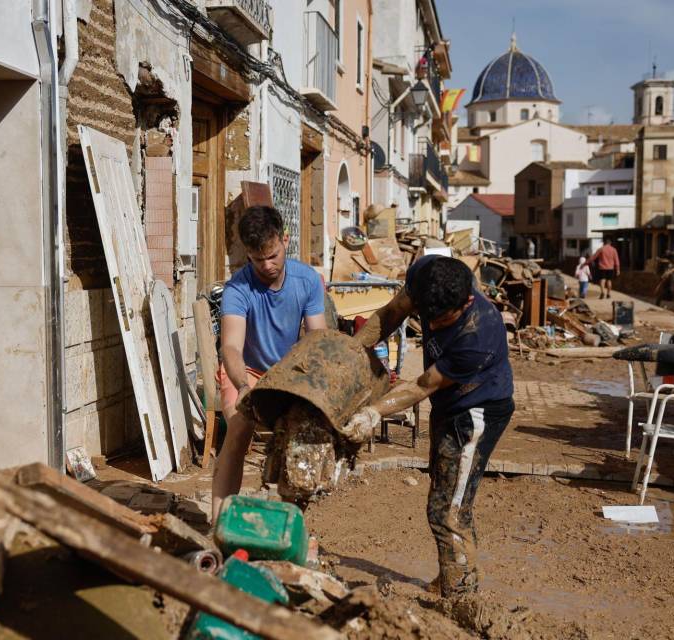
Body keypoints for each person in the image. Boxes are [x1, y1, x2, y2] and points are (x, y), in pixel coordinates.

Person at [348, 256, 514, 597]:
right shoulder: (427, 275)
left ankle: (461, 598)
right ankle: (452, 579)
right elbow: (391, 313)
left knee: (449, 509)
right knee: (442, 495)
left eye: (442, 321)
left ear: (466, 301)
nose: (433, 328)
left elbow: (422, 385)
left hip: (477, 412)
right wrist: (350, 353)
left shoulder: (479, 334)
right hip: (449, 406)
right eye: (428, 317)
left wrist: (373, 413)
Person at [213, 205, 326, 520]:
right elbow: (231, 348)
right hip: (245, 370)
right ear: (247, 254)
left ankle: (288, 522)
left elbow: (318, 339)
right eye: (257, 258)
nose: (266, 265)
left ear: (285, 240)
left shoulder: (308, 280)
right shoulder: (238, 288)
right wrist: (244, 387)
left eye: (273, 255)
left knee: (300, 439)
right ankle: (218, 523)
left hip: (288, 371)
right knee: (237, 428)